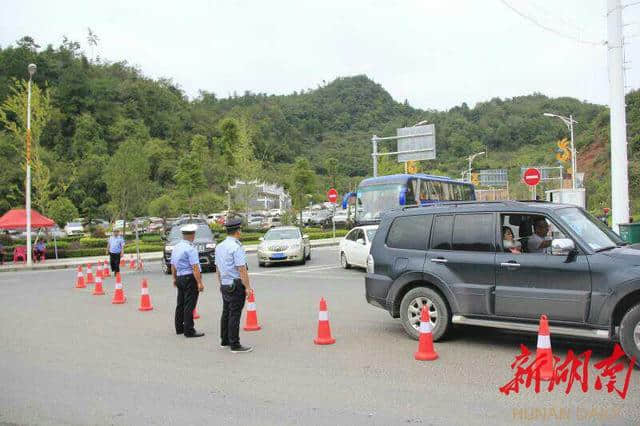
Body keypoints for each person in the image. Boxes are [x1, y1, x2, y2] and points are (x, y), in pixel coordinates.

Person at [215, 217, 254, 353]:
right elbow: (241, 268)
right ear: (238, 231)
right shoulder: (236, 247)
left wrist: (221, 283)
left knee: (226, 312)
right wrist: (248, 287)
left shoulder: (219, 246)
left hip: (225, 283)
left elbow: (218, 268)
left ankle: (224, 340)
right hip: (235, 284)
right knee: (234, 314)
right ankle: (234, 344)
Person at [171, 224, 205, 338]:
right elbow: (195, 267)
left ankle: (179, 327)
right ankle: (189, 330)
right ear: (193, 235)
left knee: (180, 303)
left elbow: (173, 265)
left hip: (180, 277)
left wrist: (174, 278)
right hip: (189, 278)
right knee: (189, 304)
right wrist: (199, 282)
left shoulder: (176, 247)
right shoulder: (191, 249)